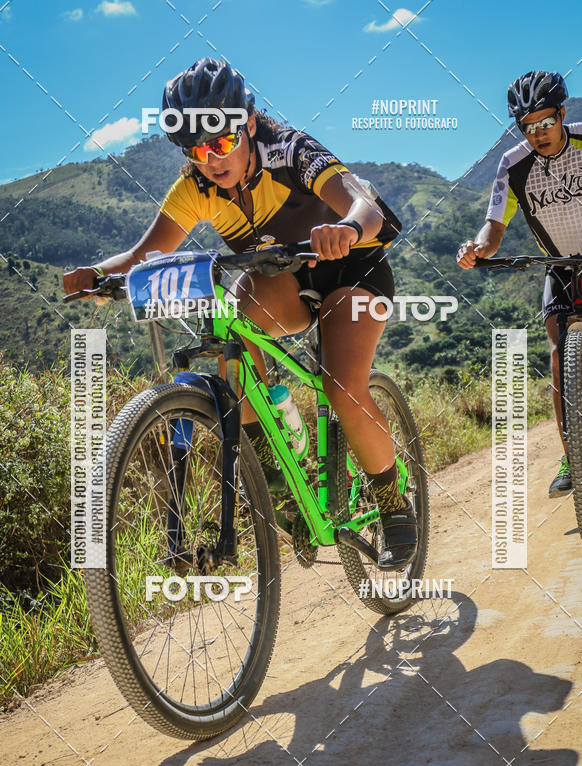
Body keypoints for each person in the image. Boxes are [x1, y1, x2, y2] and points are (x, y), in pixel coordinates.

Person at [63, 57, 415, 568]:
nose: (212, 158)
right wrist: (96, 274)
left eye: (222, 142)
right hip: (285, 278)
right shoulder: (196, 188)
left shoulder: (289, 150)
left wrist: (347, 229)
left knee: (342, 386)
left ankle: (391, 502)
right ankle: (278, 474)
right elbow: (146, 254)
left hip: (352, 270)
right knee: (233, 346)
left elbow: (366, 208)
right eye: (197, 149)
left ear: (248, 123)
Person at [457, 70, 582, 497]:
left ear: (562, 114)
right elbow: (493, 226)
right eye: (527, 126)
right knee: (560, 353)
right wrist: (478, 248)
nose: (538, 133)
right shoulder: (512, 165)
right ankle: (574, 454)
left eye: (545, 122)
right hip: (559, 266)